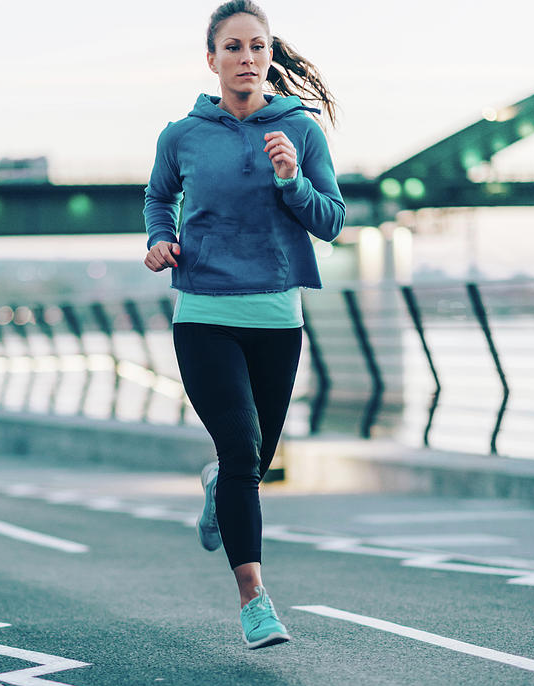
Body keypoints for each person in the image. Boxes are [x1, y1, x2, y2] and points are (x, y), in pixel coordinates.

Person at [143, 0, 345, 649]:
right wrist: (160, 240)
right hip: (203, 312)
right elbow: (157, 197)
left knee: (249, 462)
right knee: (239, 449)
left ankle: (218, 490)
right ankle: (254, 599)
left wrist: (292, 180)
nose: (246, 58)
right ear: (212, 60)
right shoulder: (181, 134)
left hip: (277, 318)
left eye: (257, 46)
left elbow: (332, 221)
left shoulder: (301, 130)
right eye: (233, 47)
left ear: (269, 55)